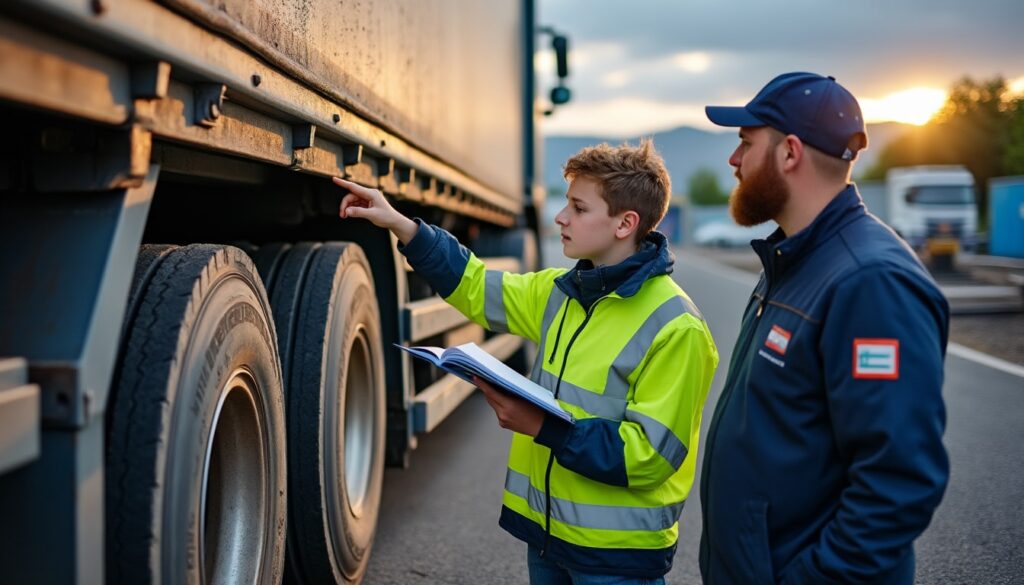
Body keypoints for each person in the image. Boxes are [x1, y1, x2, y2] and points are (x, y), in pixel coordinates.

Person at [334, 139, 718, 584]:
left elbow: (650, 456)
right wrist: (401, 225)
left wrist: (542, 426)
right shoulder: (561, 291)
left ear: (624, 224)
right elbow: (476, 287)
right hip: (549, 540)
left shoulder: (677, 328)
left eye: (578, 207)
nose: (560, 217)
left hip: (617, 559)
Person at [698, 72, 950, 584]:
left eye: (746, 143)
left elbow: (896, 485)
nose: (733, 160)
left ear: (790, 152)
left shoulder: (871, 282)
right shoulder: (795, 260)